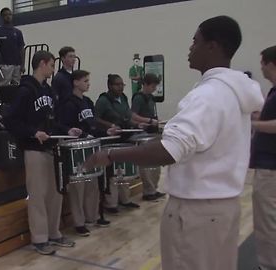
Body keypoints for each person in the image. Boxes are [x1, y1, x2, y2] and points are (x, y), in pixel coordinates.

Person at [84, 16, 265, 270]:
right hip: (223, 208)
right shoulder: (235, 91)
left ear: (213, 46)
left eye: (195, 41)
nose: (190, 47)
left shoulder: (208, 95)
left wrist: (111, 154)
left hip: (196, 214)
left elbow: (170, 149)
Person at [4, 50, 82, 255]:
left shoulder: (48, 91)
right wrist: (32, 132)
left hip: (51, 148)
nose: (54, 68)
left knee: (55, 193)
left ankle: (54, 232)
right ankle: (39, 238)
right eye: (52, 64)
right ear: (42, 64)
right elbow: (10, 120)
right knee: (37, 195)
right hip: (33, 149)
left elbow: (52, 121)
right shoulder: (25, 90)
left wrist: (66, 130)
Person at [57, 70, 118, 236]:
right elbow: (63, 127)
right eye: (85, 80)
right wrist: (79, 134)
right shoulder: (67, 103)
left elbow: (93, 126)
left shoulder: (88, 102)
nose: (88, 83)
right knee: (78, 187)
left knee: (93, 184)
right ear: (75, 82)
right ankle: (79, 222)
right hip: (76, 150)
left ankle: (93, 216)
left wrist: (106, 133)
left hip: (91, 147)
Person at [95, 74, 151, 214]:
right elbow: (95, 119)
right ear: (110, 86)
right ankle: (111, 203)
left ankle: (125, 200)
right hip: (111, 140)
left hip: (124, 138)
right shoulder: (103, 100)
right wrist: (110, 125)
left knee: (123, 172)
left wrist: (138, 124)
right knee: (113, 174)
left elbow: (127, 117)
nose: (120, 87)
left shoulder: (124, 98)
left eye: (122, 84)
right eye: (117, 84)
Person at [250, 45, 276, 270]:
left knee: (267, 223)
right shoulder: (272, 92)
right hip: (268, 166)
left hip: (271, 169)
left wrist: (251, 125)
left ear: (271, 64)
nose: (261, 68)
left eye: (262, 63)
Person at [131, 73, 165, 201]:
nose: (154, 88)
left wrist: (156, 121)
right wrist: (149, 121)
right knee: (146, 165)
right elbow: (133, 115)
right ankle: (148, 191)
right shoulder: (138, 98)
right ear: (145, 84)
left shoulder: (151, 97)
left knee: (156, 164)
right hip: (143, 134)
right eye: (152, 86)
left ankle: (154, 189)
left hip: (152, 133)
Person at [0, 7, 25, 86]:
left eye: (10, 14)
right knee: (2, 85)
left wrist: (22, 64)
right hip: (4, 64)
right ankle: (0, 99)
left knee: (16, 86)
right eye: (5, 15)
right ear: (2, 17)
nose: (8, 16)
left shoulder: (18, 32)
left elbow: (21, 48)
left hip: (17, 64)